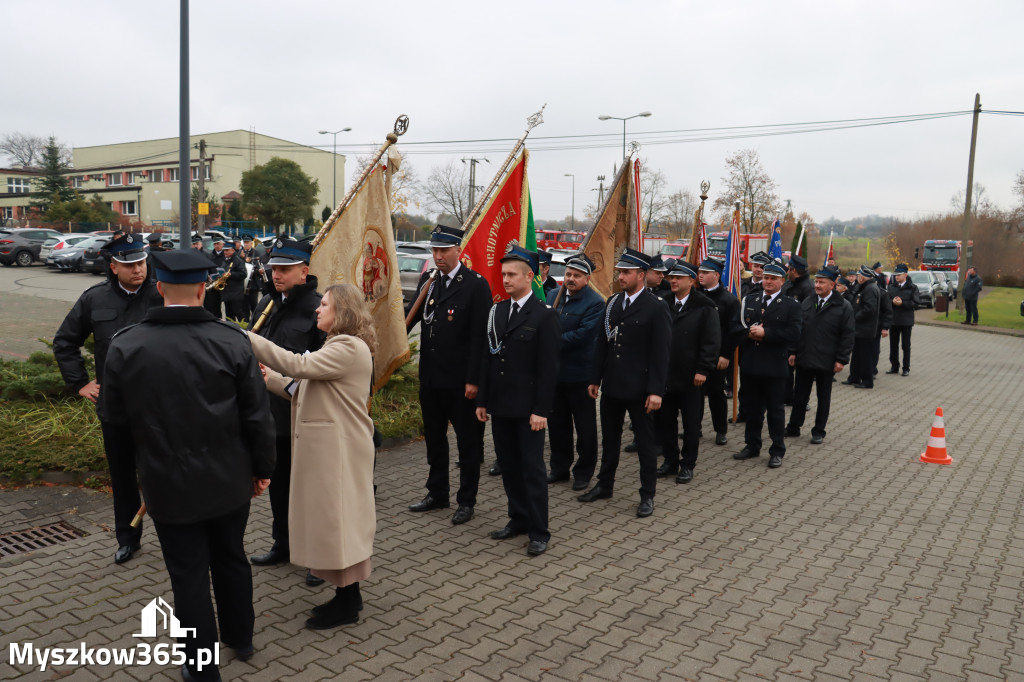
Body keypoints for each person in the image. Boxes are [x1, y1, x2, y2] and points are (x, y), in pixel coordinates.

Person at [100, 249, 276, 681]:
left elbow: (115, 425)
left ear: (158, 288)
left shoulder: (126, 344)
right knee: (231, 558)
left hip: (166, 484)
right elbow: (258, 416)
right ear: (203, 289)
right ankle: (242, 636)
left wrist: (130, 484)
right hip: (229, 480)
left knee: (188, 575)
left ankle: (202, 668)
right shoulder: (232, 340)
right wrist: (262, 469)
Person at [248, 283, 377, 629]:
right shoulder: (338, 346)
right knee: (333, 521)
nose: (317, 310)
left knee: (339, 522)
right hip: (333, 450)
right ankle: (345, 595)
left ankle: (349, 602)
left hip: (340, 451)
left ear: (343, 312)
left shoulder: (348, 346)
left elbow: (297, 365)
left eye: (324, 305)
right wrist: (269, 378)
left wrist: (248, 339)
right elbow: (299, 387)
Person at [53, 233, 163, 565]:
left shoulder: (162, 295)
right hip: (116, 407)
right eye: (129, 265)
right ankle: (128, 538)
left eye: (141, 262)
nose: (138, 270)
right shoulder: (94, 300)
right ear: (113, 267)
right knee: (123, 475)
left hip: (160, 405)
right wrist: (81, 383)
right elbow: (65, 342)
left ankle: (178, 536)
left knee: (165, 471)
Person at [248, 237, 327, 587]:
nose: (275, 274)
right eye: (273, 268)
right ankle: (284, 543)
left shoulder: (320, 309)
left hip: (303, 414)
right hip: (269, 414)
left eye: (284, 269)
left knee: (309, 490)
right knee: (279, 487)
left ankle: (318, 558)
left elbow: (321, 368)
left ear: (304, 271)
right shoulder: (266, 303)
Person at [477, 244, 560, 556]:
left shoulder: (543, 316)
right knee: (509, 467)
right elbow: (489, 359)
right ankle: (518, 519)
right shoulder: (497, 311)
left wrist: (541, 410)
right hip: (501, 406)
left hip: (529, 411)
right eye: (503, 274)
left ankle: (539, 530)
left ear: (529, 277)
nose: (506, 279)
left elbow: (549, 369)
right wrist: (483, 401)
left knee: (532, 469)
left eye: (512, 274)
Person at [406, 225, 492, 524]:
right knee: (434, 439)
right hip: (431, 379)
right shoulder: (429, 283)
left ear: (459, 251)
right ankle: (437, 492)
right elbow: (411, 318)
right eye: (435, 250)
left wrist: (474, 380)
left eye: (444, 250)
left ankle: (466, 501)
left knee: (468, 444)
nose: (438, 256)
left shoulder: (475, 285)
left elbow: (481, 339)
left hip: (460, 383)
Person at [580, 248, 671, 518]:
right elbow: (603, 344)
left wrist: (656, 390)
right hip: (613, 386)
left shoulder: (656, 307)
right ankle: (604, 485)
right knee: (610, 440)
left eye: (626, 272)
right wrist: (595, 378)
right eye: (620, 271)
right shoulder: (613, 303)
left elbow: (661, 353)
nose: (621, 276)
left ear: (641, 275)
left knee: (645, 445)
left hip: (640, 388)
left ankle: (647, 495)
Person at [734, 262, 802, 468]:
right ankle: (752, 445)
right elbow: (737, 327)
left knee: (775, 411)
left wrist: (767, 334)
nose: (768, 282)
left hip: (774, 367)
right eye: (766, 278)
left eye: (773, 278)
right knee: (752, 409)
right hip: (751, 365)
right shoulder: (749, 300)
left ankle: (777, 449)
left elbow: (795, 333)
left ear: (782, 281)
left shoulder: (791, 305)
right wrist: (749, 332)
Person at [657, 261, 720, 483]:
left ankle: (687, 464)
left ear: (691, 281)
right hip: (665, 374)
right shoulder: (663, 302)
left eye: (679, 277)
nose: (673, 281)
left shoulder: (705, 306)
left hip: (692, 376)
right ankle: (670, 460)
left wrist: (703, 369)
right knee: (666, 421)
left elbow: (711, 342)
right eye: (671, 277)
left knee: (691, 424)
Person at [545, 254, 603, 491]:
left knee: (585, 427)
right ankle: (559, 469)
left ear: (587, 279)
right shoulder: (552, 295)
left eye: (577, 276)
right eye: (568, 274)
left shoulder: (595, 303)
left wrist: (549, 341)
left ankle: (584, 472)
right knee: (557, 425)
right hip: (554, 374)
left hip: (580, 375)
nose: (570, 279)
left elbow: (583, 335)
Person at [785, 267, 855, 444]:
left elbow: (847, 335)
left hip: (827, 360)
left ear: (832, 285)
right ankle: (794, 426)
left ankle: (818, 430)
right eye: (816, 281)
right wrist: (793, 351)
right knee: (800, 395)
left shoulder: (843, 306)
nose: (817, 285)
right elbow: (798, 328)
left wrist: (841, 359)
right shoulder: (808, 302)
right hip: (805, 357)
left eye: (821, 282)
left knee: (823, 397)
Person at [696, 258, 739, 446]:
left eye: (705, 273)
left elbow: (734, 330)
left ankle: (720, 430)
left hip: (716, 356)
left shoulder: (728, 300)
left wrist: (726, 354)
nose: (701, 276)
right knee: (694, 395)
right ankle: (694, 427)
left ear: (716, 275)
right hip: (695, 354)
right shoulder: (694, 295)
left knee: (716, 394)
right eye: (700, 272)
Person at [844, 265, 882, 389]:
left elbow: (869, 309)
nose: (858, 277)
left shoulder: (870, 288)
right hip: (860, 328)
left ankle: (867, 380)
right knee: (857, 355)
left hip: (866, 328)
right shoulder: (864, 287)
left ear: (864, 277)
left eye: (860, 275)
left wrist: (854, 318)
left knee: (865, 356)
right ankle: (854, 377)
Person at [886, 263, 920, 376]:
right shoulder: (891, 287)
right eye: (895, 275)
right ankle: (894, 366)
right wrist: (892, 302)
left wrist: (902, 303)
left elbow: (915, 303)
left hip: (906, 321)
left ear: (905, 275)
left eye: (899, 275)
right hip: (894, 320)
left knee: (905, 346)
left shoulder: (913, 287)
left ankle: (906, 368)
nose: (897, 277)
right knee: (893, 345)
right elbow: (887, 300)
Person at [218, 241, 248, 321]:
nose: (225, 252)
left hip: (236, 293)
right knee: (228, 315)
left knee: (238, 313)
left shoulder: (238, 260)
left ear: (233, 250)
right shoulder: (225, 260)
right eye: (224, 250)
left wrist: (231, 274)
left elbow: (243, 274)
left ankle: (245, 329)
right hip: (227, 292)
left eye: (227, 250)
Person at [204, 237, 227, 319]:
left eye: (218, 244)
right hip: (213, 284)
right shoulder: (210, 256)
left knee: (227, 307)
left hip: (225, 283)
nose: (216, 246)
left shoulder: (226, 254)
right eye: (215, 244)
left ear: (223, 244)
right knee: (213, 305)